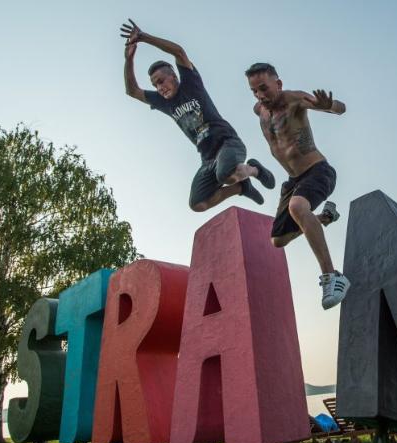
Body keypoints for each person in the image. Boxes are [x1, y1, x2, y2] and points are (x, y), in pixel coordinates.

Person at [120, 19, 274, 211]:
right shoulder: (164, 103)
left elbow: (179, 52)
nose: (160, 88)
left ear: (174, 76)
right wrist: (129, 60)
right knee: (198, 204)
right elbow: (132, 91)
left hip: (228, 143)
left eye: (161, 81)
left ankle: (254, 169)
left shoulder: (190, 83)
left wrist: (143, 37)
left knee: (225, 174)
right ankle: (240, 187)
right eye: (155, 85)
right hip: (208, 159)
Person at [245, 62, 349, 309]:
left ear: (278, 84)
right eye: (254, 91)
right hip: (293, 181)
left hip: (317, 171)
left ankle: (333, 276)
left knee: (297, 206)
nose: (261, 95)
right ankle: (323, 217)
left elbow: (341, 108)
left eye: (264, 88)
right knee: (278, 240)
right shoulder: (258, 110)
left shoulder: (294, 99)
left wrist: (328, 106)